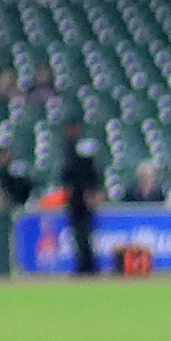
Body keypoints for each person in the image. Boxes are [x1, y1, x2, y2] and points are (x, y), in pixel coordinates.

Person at [58, 118, 105, 277]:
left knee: (85, 235)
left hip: (85, 200)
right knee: (78, 236)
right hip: (75, 200)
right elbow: (66, 177)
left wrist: (93, 193)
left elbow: (92, 175)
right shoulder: (68, 149)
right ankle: (83, 265)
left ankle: (90, 266)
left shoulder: (83, 150)